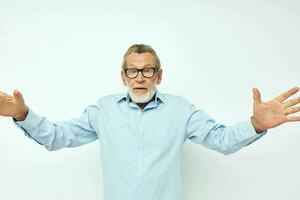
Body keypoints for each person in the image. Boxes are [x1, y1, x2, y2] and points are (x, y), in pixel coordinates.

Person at [0, 44, 300, 200]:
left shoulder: (181, 110)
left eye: (147, 70)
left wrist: (256, 124)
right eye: (132, 71)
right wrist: (22, 114)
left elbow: (220, 139)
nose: (139, 77)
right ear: (123, 76)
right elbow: (56, 137)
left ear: (159, 75)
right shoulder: (103, 110)